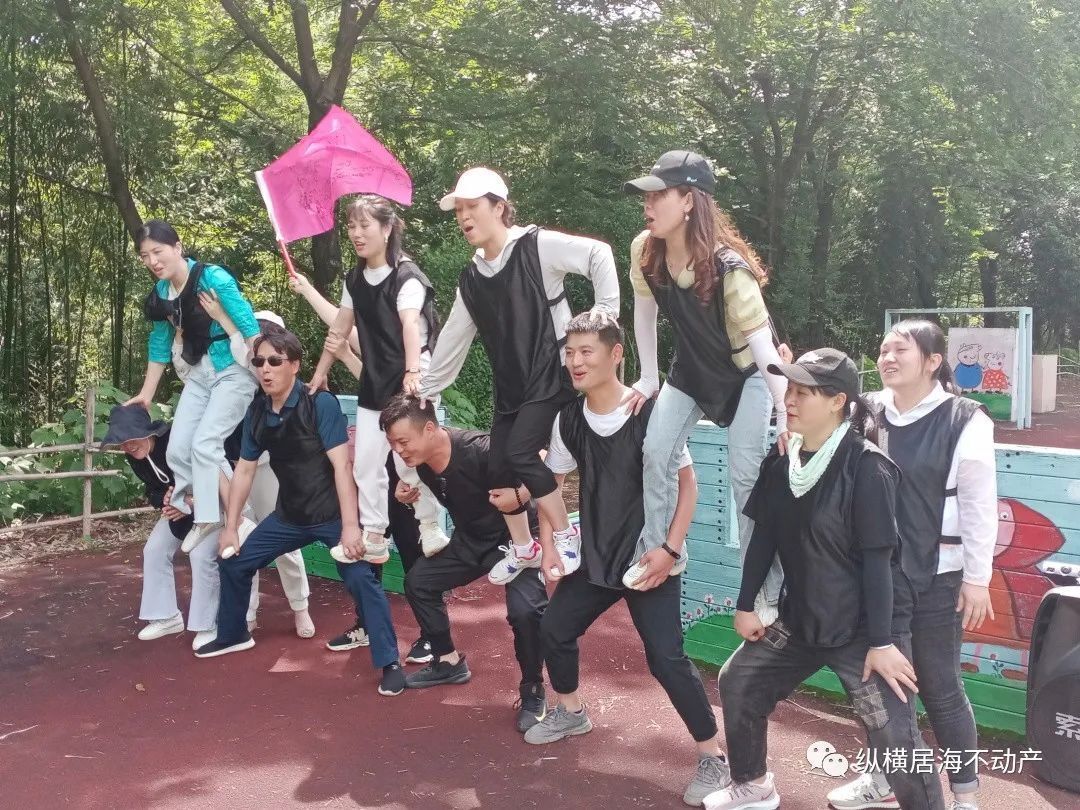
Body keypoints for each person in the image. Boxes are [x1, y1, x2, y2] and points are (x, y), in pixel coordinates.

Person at [704, 349, 944, 810]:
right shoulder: (782, 464)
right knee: (740, 680)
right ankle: (753, 785)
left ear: (838, 402)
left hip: (868, 630)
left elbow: (879, 563)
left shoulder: (867, 467)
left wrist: (882, 642)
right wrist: (745, 604)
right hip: (805, 618)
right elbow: (764, 538)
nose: (789, 400)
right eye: (789, 390)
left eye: (803, 392)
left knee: (895, 737)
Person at [510, 312, 727, 808]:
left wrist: (669, 550)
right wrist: (549, 544)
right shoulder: (567, 419)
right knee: (554, 628)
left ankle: (713, 755)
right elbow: (551, 485)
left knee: (666, 659)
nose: (575, 361)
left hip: (650, 559)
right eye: (570, 352)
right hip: (597, 557)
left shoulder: (651, 414)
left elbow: (688, 486)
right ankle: (571, 712)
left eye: (586, 351)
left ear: (616, 354)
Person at [420, 167, 620, 586]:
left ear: (499, 207)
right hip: (511, 388)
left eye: (472, 206)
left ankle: (565, 533)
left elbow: (598, 254)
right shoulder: (471, 279)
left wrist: (605, 315)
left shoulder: (537, 246)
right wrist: (426, 389)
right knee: (497, 470)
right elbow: (453, 339)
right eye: (458, 210)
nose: (463, 216)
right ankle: (525, 547)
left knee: (521, 454)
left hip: (552, 375)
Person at [827, 320, 996, 810]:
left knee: (940, 688)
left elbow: (979, 503)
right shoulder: (866, 410)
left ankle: (965, 797)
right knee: (882, 687)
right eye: (883, 350)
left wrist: (977, 578)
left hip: (938, 579)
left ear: (933, 361)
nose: (887, 358)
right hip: (876, 575)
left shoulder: (965, 418)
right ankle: (884, 779)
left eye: (900, 350)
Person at [621, 152, 788, 624]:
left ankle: (765, 590)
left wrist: (784, 414)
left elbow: (762, 345)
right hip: (690, 373)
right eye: (646, 197)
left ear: (689, 201)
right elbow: (644, 314)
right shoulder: (646, 249)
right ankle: (661, 552)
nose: (648, 205)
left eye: (659, 195)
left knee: (745, 479)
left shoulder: (730, 268)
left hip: (745, 377)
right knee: (656, 451)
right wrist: (648, 377)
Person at [193, 329, 404, 697]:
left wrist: (350, 527)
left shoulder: (319, 404)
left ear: (294, 365)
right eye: (259, 361)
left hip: (332, 516)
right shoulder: (257, 411)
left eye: (275, 361)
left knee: (361, 578)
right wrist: (230, 526)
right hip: (289, 516)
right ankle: (233, 634)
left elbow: (342, 467)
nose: (265, 369)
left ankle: (390, 663)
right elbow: (244, 471)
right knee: (235, 562)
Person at [289, 271, 436, 664]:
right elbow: (341, 326)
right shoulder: (375, 340)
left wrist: (345, 355)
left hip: (405, 465)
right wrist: (308, 290)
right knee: (371, 548)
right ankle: (367, 624)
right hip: (377, 469)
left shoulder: (410, 355)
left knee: (413, 548)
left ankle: (432, 634)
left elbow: (390, 398)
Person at [380, 394, 549, 732]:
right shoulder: (416, 460)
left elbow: (542, 459)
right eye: (393, 443)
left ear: (430, 429)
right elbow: (411, 485)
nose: (398, 450)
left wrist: (521, 495)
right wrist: (404, 493)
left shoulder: (479, 449)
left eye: (403, 441)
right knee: (419, 582)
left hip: (514, 540)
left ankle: (533, 689)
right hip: (470, 541)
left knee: (525, 612)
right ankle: (447, 661)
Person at [307, 195, 449, 566]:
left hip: (412, 373)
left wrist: (413, 372)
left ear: (387, 229)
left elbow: (409, 324)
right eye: (351, 226)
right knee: (366, 464)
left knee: (408, 458)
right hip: (375, 378)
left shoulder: (407, 277)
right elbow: (340, 328)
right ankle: (374, 535)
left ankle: (430, 524)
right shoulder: (354, 279)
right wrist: (320, 373)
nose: (356, 233)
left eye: (364, 225)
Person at [102, 403, 311, 647]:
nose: (127, 445)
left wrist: (192, 501)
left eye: (131, 438)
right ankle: (176, 616)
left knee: (270, 539)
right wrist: (167, 500)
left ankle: (294, 607)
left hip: (238, 482)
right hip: (198, 500)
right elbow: (157, 488)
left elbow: (215, 469)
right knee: (158, 549)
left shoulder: (239, 397)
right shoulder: (145, 451)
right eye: (122, 441)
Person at [125, 220, 259, 551]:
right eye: (145, 256)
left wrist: (268, 376)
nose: (153, 261)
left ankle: (235, 519)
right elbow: (160, 344)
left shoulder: (212, 278)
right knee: (176, 449)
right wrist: (146, 394)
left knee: (205, 443)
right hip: (200, 374)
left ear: (177, 247)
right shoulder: (161, 294)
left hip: (232, 370)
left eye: (158, 251)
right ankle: (203, 509)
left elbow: (249, 326)